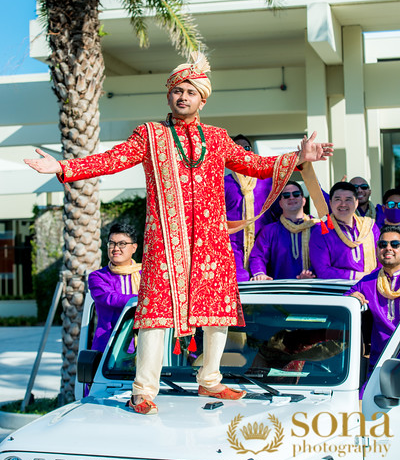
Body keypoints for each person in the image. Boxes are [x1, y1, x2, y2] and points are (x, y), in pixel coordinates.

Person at [24, 51, 333, 415]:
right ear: (168, 96)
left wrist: (299, 156)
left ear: (202, 98)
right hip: (165, 242)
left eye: (190, 91)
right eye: (177, 91)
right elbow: (111, 160)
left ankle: (211, 380)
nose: (183, 97)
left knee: (217, 311)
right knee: (154, 314)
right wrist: (62, 166)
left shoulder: (217, 139)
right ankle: (143, 391)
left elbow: (256, 165)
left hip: (211, 240)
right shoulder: (150, 135)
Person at [344, 224, 400, 374]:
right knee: (363, 397)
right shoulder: (368, 282)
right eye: (383, 244)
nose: (388, 248)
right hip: (380, 363)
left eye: (395, 244)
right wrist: (351, 299)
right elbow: (343, 304)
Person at [224, 134, 273, 282]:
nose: (242, 151)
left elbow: (281, 210)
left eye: (246, 148)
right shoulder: (223, 183)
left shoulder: (267, 181)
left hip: (263, 245)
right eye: (237, 148)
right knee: (240, 283)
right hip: (233, 246)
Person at [310, 181, 379, 280]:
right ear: (330, 203)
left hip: (371, 287)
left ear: (356, 203)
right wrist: (359, 276)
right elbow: (323, 271)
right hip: (339, 291)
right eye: (338, 199)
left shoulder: (370, 227)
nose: (343, 204)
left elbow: (382, 263)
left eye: (348, 199)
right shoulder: (321, 231)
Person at [248, 181, 317, 280]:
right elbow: (258, 256)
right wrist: (260, 274)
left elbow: (324, 258)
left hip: (313, 289)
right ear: (280, 203)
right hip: (279, 290)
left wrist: (310, 273)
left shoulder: (317, 228)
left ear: (304, 200)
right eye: (286, 195)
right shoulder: (269, 231)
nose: (291, 197)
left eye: (296, 194)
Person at [89, 222, 141, 352]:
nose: (116, 248)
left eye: (122, 244)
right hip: (109, 349)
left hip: (145, 346)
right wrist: (143, 300)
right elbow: (110, 298)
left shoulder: (146, 275)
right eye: (112, 243)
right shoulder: (98, 277)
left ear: (134, 247)